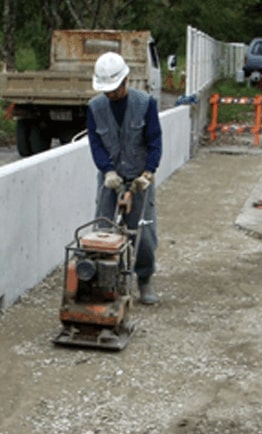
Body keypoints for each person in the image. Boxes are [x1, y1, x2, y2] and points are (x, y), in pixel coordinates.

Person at [86, 51, 163, 305]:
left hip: (139, 178)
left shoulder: (145, 104)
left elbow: (154, 141)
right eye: (106, 90)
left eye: (115, 88)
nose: (111, 94)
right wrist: (107, 170)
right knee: (103, 231)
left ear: (126, 79)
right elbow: (96, 144)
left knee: (143, 234)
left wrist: (147, 173)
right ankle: (104, 282)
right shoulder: (95, 108)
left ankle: (144, 279)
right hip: (111, 179)